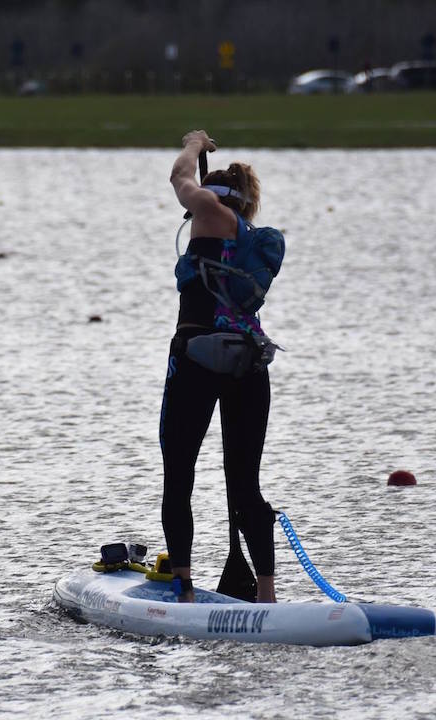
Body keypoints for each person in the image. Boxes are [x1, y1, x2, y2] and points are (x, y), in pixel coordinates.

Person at [160, 129, 277, 604]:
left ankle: (184, 592)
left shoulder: (208, 212)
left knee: (179, 474)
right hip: (250, 362)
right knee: (245, 486)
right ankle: (266, 596)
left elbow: (178, 176)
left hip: (198, 356)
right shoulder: (256, 238)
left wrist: (192, 144)